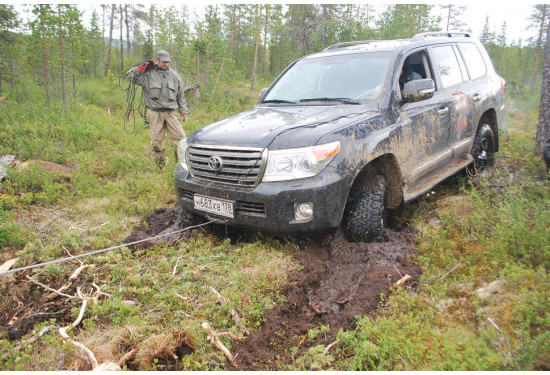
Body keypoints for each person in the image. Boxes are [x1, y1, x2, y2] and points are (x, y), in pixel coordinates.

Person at [126, 51, 188, 169]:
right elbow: (130, 77)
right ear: (157, 60)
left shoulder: (174, 76)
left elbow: (180, 95)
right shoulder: (148, 74)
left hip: (171, 113)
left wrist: (184, 111)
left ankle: (179, 165)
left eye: (168, 62)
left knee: (181, 140)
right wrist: (141, 68)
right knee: (156, 142)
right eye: (164, 62)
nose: (166, 64)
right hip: (155, 113)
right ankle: (160, 166)